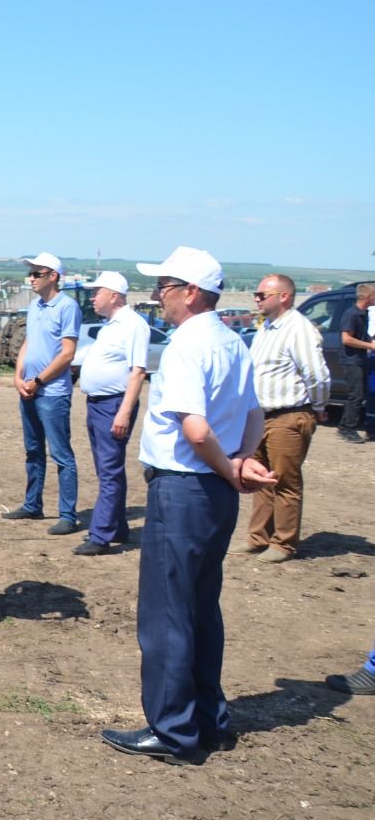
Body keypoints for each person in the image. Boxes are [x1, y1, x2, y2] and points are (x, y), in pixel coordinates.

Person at [101, 246, 275, 765]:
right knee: (201, 607)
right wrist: (240, 463)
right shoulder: (232, 340)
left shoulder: (184, 347)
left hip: (184, 487)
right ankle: (208, 719)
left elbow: (194, 430)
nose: (158, 296)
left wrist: (227, 467)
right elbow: (254, 416)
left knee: (168, 613)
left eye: (166, 287)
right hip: (215, 492)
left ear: (191, 293)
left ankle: (173, 730)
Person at [243, 274, 330, 563]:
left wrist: (317, 407)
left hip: (288, 415)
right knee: (261, 478)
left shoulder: (298, 329)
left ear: (284, 296)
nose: (256, 299)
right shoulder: (266, 328)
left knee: (284, 482)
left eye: (261, 294)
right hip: (261, 416)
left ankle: (284, 543)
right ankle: (259, 538)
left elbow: (316, 374)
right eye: (256, 294)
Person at [3, 251, 82, 534]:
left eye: (37, 273)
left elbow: (67, 354)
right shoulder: (36, 307)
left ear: (54, 276)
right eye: (31, 273)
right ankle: (32, 504)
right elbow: (28, 344)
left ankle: (68, 514)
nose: (31, 278)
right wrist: (18, 376)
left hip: (52, 393)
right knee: (33, 450)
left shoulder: (67, 307)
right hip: (30, 389)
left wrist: (38, 380)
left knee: (61, 453)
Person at [74, 271, 149, 556]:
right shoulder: (111, 325)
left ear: (114, 295)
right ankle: (117, 527)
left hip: (113, 405)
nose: (93, 297)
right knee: (108, 468)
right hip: (99, 403)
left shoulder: (133, 326)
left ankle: (101, 535)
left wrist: (124, 413)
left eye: (98, 292)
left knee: (109, 470)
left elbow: (137, 372)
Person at [336, 283, 374, 443]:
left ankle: (364, 427)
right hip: (351, 361)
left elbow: (363, 336)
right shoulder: (351, 314)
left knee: (362, 394)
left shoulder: (363, 314)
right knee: (355, 395)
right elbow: (346, 339)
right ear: (368, 296)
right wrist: (370, 346)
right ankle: (346, 428)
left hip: (360, 359)